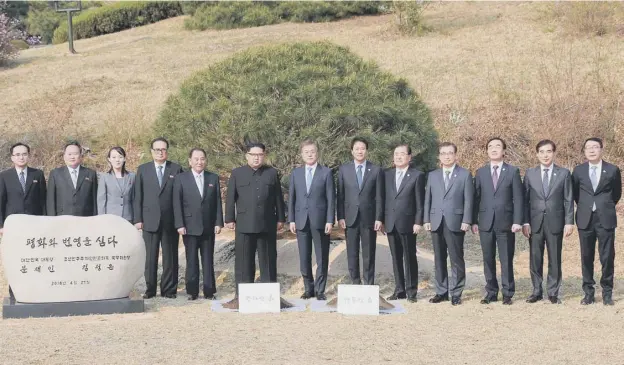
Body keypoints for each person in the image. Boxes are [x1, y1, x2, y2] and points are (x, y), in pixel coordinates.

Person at [225, 142, 285, 296]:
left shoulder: (271, 173)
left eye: (260, 155)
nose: (257, 158)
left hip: (267, 223)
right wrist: (230, 218)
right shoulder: (237, 173)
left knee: (268, 260)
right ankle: (242, 296)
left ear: (264, 156)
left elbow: (278, 197)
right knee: (244, 262)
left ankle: (269, 294)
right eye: (254, 155)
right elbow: (231, 197)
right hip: (244, 224)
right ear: (247, 156)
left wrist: (281, 218)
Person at [522, 140, 574, 304]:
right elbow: (524, 200)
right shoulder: (530, 173)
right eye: (542, 151)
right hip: (535, 222)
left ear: (554, 153)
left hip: (556, 221)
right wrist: (525, 222)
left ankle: (553, 292)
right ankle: (536, 291)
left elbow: (568, 199)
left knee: (555, 258)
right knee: (535, 257)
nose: (545, 155)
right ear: (537, 154)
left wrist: (569, 222)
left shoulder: (564, 173)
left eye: (549, 151)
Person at [472, 137, 523, 305]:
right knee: (488, 258)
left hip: (506, 222)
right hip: (486, 222)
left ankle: (508, 293)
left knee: (506, 258)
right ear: (487, 151)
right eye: (490, 146)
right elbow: (476, 198)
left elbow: (518, 198)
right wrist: (474, 221)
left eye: (498, 146)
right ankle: (491, 292)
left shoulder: (512, 171)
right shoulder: (480, 172)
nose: (494, 149)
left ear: (504, 151)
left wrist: (517, 221)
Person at [572, 137, 622, 306]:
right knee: (586, 256)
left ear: (601, 149)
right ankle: (588, 292)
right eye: (588, 148)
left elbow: (616, 194)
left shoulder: (613, 169)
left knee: (607, 256)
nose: (592, 150)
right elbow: (576, 194)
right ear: (584, 151)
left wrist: (603, 206)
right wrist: (587, 207)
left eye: (595, 147)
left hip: (605, 218)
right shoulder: (578, 170)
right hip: (585, 218)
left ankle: (607, 292)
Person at [133, 137, 184, 299]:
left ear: (167, 151)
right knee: (150, 257)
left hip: (170, 221)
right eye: (157, 150)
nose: (160, 152)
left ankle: (169, 290)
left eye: (163, 150)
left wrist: (180, 221)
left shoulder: (176, 169)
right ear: (151, 152)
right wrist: (138, 219)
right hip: (149, 220)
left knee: (170, 257)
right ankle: (150, 289)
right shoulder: (143, 169)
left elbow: (181, 197)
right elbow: (138, 196)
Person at [423, 142, 473, 306]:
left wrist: (466, 220)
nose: (447, 156)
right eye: (443, 153)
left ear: (455, 155)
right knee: (439, 258)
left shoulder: (464, 174)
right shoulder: (433, 175)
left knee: (456, 259)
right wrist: (426, 219)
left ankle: (456, 292)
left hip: (456, 222)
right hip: (436, 221)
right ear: (439, 156)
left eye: (450, 153)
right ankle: (441, 291)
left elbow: (468, 200)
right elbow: (428, 199)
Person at [173, 148, 223, 301]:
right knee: (192, 260)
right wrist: (179, 224)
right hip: (189, 226)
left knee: (208, 260)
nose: (199, 162)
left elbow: (217, 202)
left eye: (202, 159)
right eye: (196, 159)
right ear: (190, 161)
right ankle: (192, 291)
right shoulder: (181, 178)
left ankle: (209, 291)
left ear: (205, 160)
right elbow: (177, 203)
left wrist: (218, 222)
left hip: (208, 226)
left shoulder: (212, 178)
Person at [288, 139, 335, 301]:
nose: (309, 154)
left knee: (322, 257)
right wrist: (291, 220)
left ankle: (320, 290)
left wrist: (330, 220)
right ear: (302, 154)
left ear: (317, 153)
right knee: (304, 257)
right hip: (301, 220)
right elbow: (292, 198)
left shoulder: (326, 173)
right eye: (306, 152)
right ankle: (308, 288)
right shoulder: (296, 173)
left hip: (320, 220)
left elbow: (331, 198)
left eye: (312, 151)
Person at [0, 142, 47, 301]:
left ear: (29, 155)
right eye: (18, 154)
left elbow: (43, 201)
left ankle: (35, 290)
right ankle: (15, 291)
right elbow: (1, 201)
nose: (21, 157)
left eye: (24, 154)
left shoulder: (37, 175)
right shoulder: (4, 176)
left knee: (35, 258)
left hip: (34, 224)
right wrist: (1, 225)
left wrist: (45, 223)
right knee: (15, 258)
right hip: (13, 226)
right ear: (12, 157)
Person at [337, 137, 384, 285]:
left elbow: (379, 197)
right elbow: (340, 196)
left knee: (369, 253)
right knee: (352, 253)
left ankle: (369, 283)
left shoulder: (376, 170)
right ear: (352, 151)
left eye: (362, 148)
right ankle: (355, 282)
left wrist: (379, 218)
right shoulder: (344, 169)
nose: (359, 151)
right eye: (356, 148)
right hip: (350, 218)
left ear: (367, 151)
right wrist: (340, 216)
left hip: (369, 218)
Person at [383, 144, 424, 302]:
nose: (398, 157)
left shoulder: (417, 175)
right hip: (391, 223)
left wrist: (418, 221)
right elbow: (383, 198)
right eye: (396, 154)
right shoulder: (387, 174)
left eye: (402, 154)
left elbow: (419, 201)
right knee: (395, 258)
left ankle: (411, 291)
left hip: (408, 222)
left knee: (409, 257)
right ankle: (399, 290)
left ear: (409, 157)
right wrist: (382, 220)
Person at [47, 141, 97, 217]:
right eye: (69, 154)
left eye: (75, 154)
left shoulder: (90, 173)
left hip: (85, 219)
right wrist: (52, 219)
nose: (72, 157)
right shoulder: (55, 174)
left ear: (81, 156)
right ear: (64, 156)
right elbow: (51, 200)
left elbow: (94, 200)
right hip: (62, 219)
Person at [97, 146, 135, 222]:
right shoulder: (105, 177)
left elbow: (135, 199)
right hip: (110, 218)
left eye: (120, 157)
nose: (117, 160)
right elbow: (101, 200)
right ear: (109, 159)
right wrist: (101, 219)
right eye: (114, 157)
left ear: (124, 159)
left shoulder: (132, 176)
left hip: (128, 217)